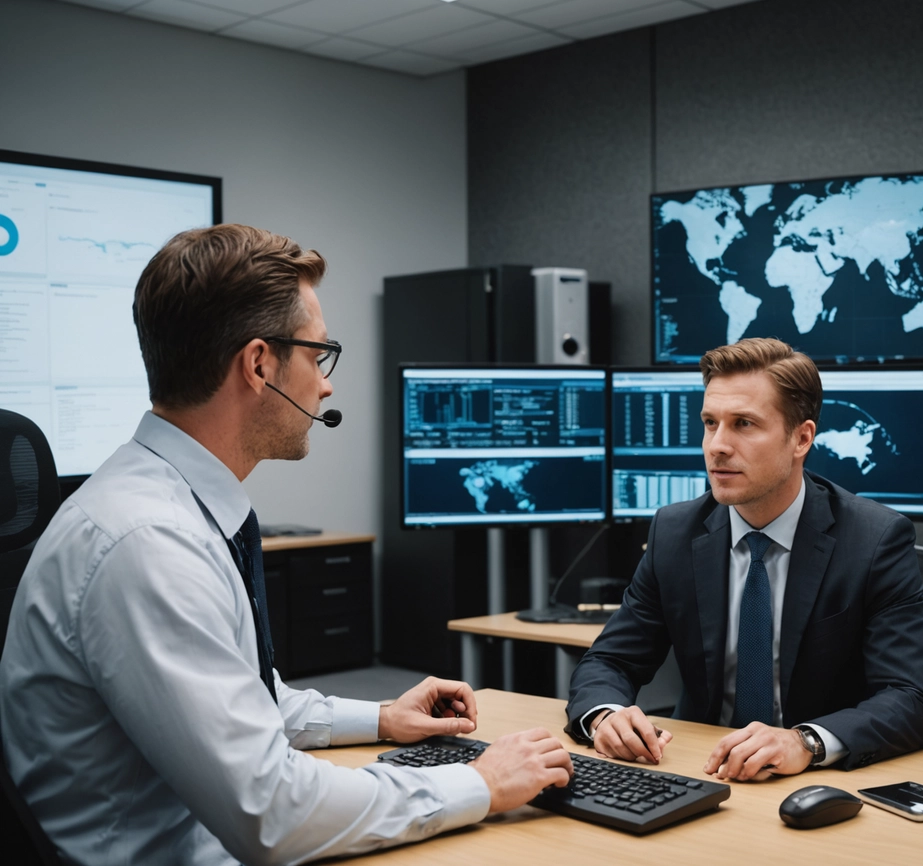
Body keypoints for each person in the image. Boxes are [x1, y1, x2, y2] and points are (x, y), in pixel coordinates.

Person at [0, 224, 573, 865]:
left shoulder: (169, 503)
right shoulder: (149, 544)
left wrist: (382, 718)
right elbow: (271, 812)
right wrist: (479, 783)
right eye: (317, 355)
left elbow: (243, 700)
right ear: (258, 365)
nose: (326, 384)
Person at [565, 337, 923, 780]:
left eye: (743, 424)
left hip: (818, 782)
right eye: (710, 423)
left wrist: (806, 741)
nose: (717, 446)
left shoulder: (874, 539)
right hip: (703, 772)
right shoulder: (676, 531)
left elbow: (912, 696)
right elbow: (610, 661)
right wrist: (606, 716)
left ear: (801, 438)